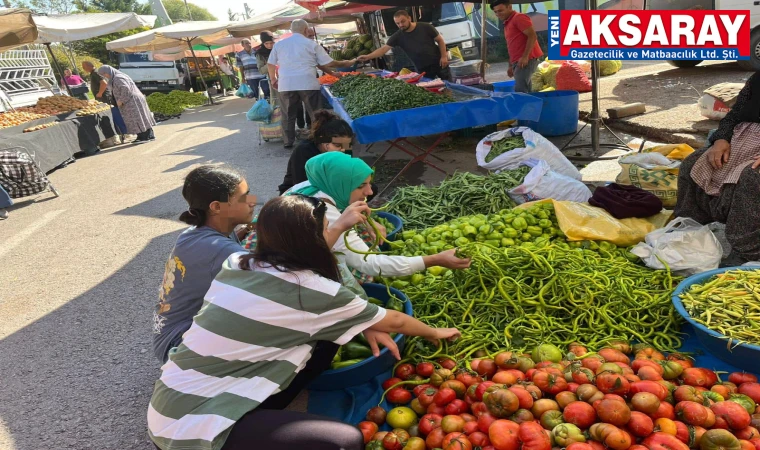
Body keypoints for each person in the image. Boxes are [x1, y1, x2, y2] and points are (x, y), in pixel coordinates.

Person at [147, 194, 460, 450]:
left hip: (174, 395)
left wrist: (364, 321)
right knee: (344, 441)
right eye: (326, 229)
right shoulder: (312, 290)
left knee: (325, 342)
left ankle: (262, 419)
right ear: (308, 240)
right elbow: (396, 321)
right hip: (190, 432)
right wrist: (435, 332)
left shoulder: (239, 263)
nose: (331, 234)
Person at [290, 152, 472, 279]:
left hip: (289, 255)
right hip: (298, 272)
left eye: (369, 184)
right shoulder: (323, 213)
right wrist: (434, 260)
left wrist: (369, 222)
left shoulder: (312, 185)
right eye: (361, 186)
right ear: (339, 184)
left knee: (362, 232)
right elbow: (368, 263)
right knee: (356, 269)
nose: (369, 192)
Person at [153, 165, 257, 363]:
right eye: (244, 197)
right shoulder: (222, 250)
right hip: (178, 348)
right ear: (216, 207)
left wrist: (244, 231)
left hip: (169, 336)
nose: (252, 202)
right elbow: (278, 276)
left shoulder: (194, 233)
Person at [675, 72, 760, 264]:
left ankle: (748, 250)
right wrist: (721, 139)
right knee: (693, 163)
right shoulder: (757, 79)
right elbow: (734, 114)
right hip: (741, 139)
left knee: (752, 177)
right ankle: (691, 229)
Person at [268, 19, 356, 149]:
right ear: (305, 30)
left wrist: (273, 79)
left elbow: (270, 63)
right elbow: (328, 62)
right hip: (307, 82)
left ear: (292, 30)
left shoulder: (279, 45)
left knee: (288, 114)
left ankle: (288, 141)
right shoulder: (311, 44)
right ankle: (318, 139)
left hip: (286, 83)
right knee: (316, 114)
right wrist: (347, 63)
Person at [357, 10, 450, 80]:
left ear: (409, 18)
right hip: (422, 68)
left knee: (449, 86)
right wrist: (367, 56)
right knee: (432, 91)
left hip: (439, 63)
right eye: (398, 23)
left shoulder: (426, 27)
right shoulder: (397, 36)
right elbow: (383, 50)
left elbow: (440, 41)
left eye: (403, 21)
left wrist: (444, 56)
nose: (401, 25)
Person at [278, 110, 353, 195]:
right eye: (337, 145)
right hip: (298, 196)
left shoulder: (344, 150)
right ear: (323, 140)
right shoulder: (304, 151)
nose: (343, 150)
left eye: (347, 145)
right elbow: (303, 188)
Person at [489, 0, 543, 93]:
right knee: (526, 90)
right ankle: (532, 107)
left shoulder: (519, 18)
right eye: (496, 12)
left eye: (500, 10)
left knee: (521, 91)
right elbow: (512, 46)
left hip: (526, 60)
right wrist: (511, 65)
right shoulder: (507, 22)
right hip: (518, 61)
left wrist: (525, 56)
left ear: (509, 7)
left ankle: (526, 107)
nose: (498, 14)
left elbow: (532, 36)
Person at [97, 65, 156, 143]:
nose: (105, 76)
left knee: (137, 118)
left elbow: (126, 89)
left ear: (109, 71)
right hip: (131, 100)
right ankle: (143, 135)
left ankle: (145, 136)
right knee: (138, 118)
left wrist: (121, 100)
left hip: (131, 101)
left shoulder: (118, 78)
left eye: (105, 74)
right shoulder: (117, 77)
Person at [255, 32, 276, 101]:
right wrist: (271, 63)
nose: (269, 45)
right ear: (263, 43)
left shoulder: (279, 49)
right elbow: (261, 70)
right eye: (266, 43)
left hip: (287, 78)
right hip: (274, 81)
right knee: (277, 102)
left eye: (271, 43)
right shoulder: (260, 54)